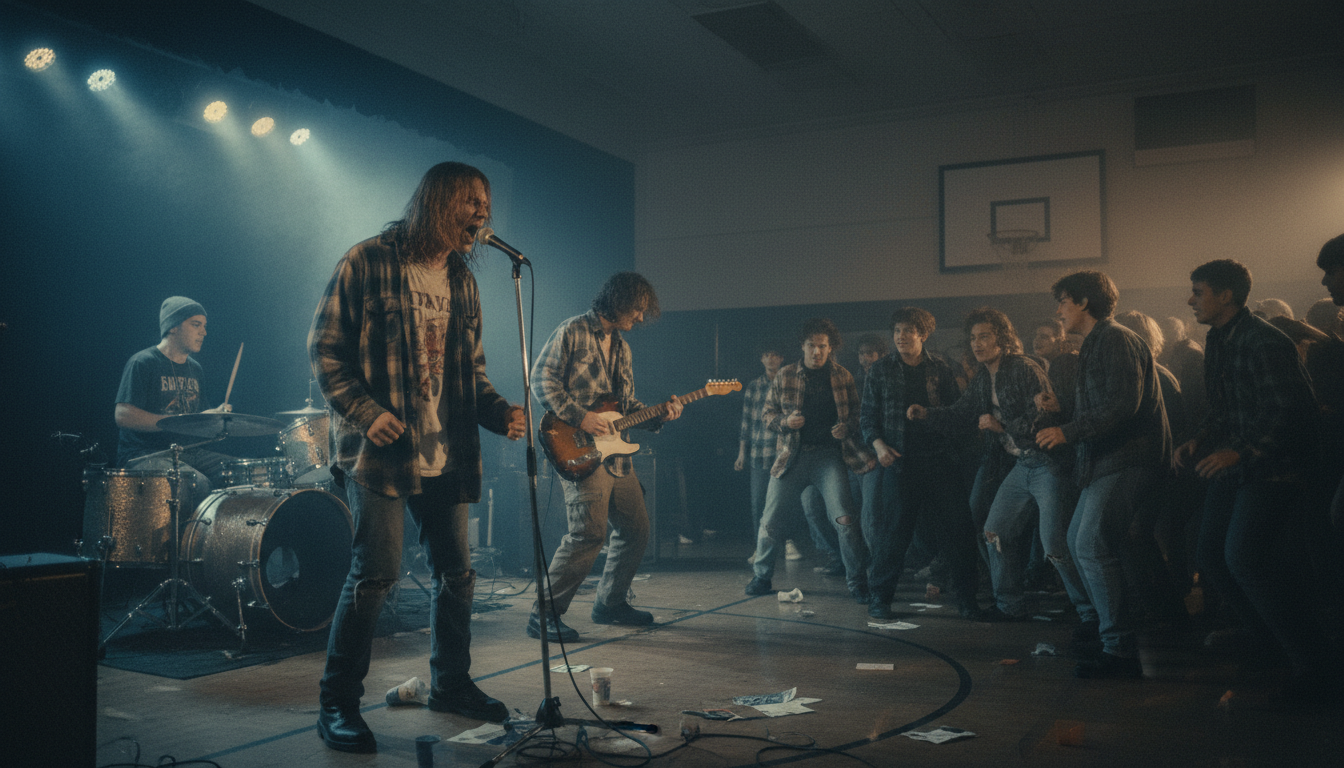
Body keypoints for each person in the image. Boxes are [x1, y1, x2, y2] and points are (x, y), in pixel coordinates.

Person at [308, 162, 527, 753]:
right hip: (380, 453)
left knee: (457, 574)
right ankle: (337, 703)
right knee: (374, 575)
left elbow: (470, 374)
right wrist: (365, 410)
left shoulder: (463, 280)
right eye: (470, 202)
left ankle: (450, 685)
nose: (482, 213)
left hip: (446, 450)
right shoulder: (368, 260)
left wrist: (500, 411)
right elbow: (325, 350)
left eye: (486, 203)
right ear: (436, 202)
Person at [1176, 259, 1339, 706]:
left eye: (1199, 291)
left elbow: (1290, 412)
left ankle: (1315, 664)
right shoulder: (1219, 339)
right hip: (1241, 463)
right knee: (1210, 554)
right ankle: (1267, 640)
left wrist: (1240, 452)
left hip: (1276, 466)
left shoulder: (1265, 341)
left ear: (1226, 295)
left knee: (1243, 556)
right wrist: (1200, 439)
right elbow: (1227, 406)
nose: (1191, 300)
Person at [529, 272, 682, 643]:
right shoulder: (573, 331)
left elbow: (625, 408)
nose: (641, 318)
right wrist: (582, 417)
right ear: (619, 301)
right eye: (638, 309)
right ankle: (543, 615)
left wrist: (658, 415)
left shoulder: (623, 348)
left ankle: (610, 604)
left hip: (617, 456)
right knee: (588, 533)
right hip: (579, 448)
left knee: (636, 529)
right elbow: (540, 379)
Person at [910, 308, 1090, 624]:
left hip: (1048, 464)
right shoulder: (983, 377)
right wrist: (927, 414)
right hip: (1021, 466)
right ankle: (1010, 606)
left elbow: (1047, 415)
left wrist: (1003, 424)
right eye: (973, 338)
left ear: (1002, 339)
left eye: (984, 336)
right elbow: (960, 413)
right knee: (995, 532)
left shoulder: (1024, 368)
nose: (977, 344)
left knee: (1055, 545)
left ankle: (1089, 613)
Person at [1036, 271, 1171, 678]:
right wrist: (1062, 414)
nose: (1058, 311)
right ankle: (1109, 637)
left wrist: (1068, 430)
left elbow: (1121, 405)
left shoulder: (1115, 339)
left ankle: (1120, 652)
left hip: (1127, 460)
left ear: (1082, 302)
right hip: (1109, 461)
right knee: (1080, 545)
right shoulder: (1098, 343)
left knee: (1091, 546)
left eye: (1062, 301)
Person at [858, 308, 981, 620]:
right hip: (899, 463)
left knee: (959, 532)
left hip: (940, 461)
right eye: (897, 330)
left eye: (908, 331)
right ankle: (881, 599)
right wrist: (879, 445)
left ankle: (968, 600)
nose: (901, 336)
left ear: (923, 334)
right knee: (893, 535)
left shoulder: (942, 367)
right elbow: (868, 419)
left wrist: (933, 421)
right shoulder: (880, 369)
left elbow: (957, 414)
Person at [745, 318, 872, 601]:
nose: (817, 351)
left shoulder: (843, 376)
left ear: (830, 348)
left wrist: (847, 427)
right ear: (802, 347)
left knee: (845, 519)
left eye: (822, 346)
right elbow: (767, 415)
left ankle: (858, 582)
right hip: (792, 456)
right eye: (812, 346)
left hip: (829, 457)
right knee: (771, 520)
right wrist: (786, 421)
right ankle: (761, 577)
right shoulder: (786, 375)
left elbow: (857, 415)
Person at [115, 296, 232, 493]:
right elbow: (123, 416)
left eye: (204, 326)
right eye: (196, 325)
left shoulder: (195, 369)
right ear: (173, 327)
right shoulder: (143, 362)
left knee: (239, 473)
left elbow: (196, 420)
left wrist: (215, 416)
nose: (203, 332)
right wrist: (175, 421)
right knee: (196, 483)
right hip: (144, 455)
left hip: (187, 452)